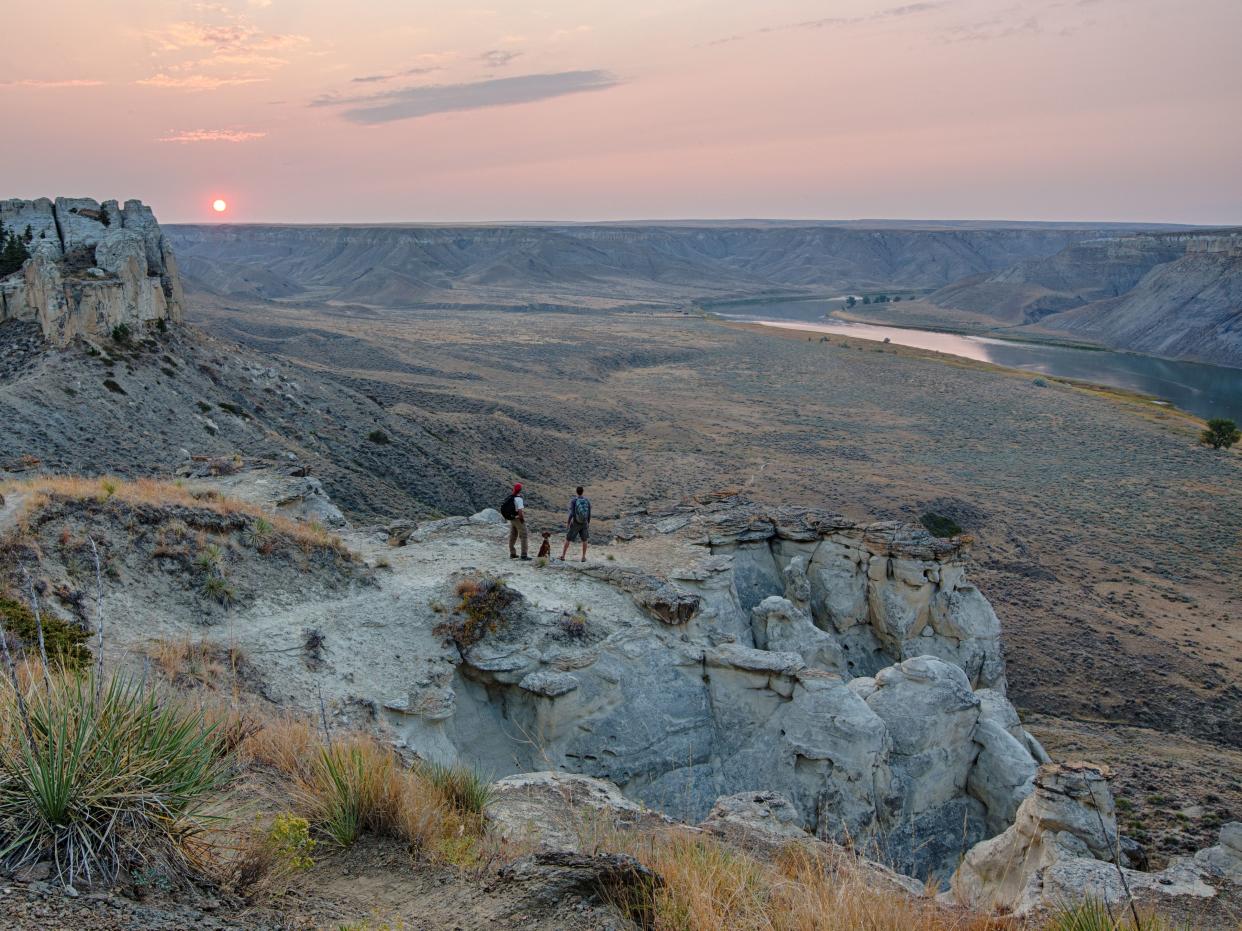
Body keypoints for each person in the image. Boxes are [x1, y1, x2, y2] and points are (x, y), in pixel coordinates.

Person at [560, 485, 591, 562]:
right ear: (582, 492)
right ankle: (583, 557)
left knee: (568, 538)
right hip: (584, 522)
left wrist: (568, 522)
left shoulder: (574, 501)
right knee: (585, 540)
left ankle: (563, 556)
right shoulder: (587, 501)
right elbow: (589, 513)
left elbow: (572, 513)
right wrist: (588, 522)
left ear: (576, 492)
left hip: (576, 523)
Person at [501, 482, 529, 560]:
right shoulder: (519, 499)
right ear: (520, 490)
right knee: (524, 536)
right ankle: (524, 555)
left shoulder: (511, 497)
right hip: (517, 518)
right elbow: (520, 511)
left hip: (512, 518)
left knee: (513, 535)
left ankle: (512, 553)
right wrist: (522, 519)